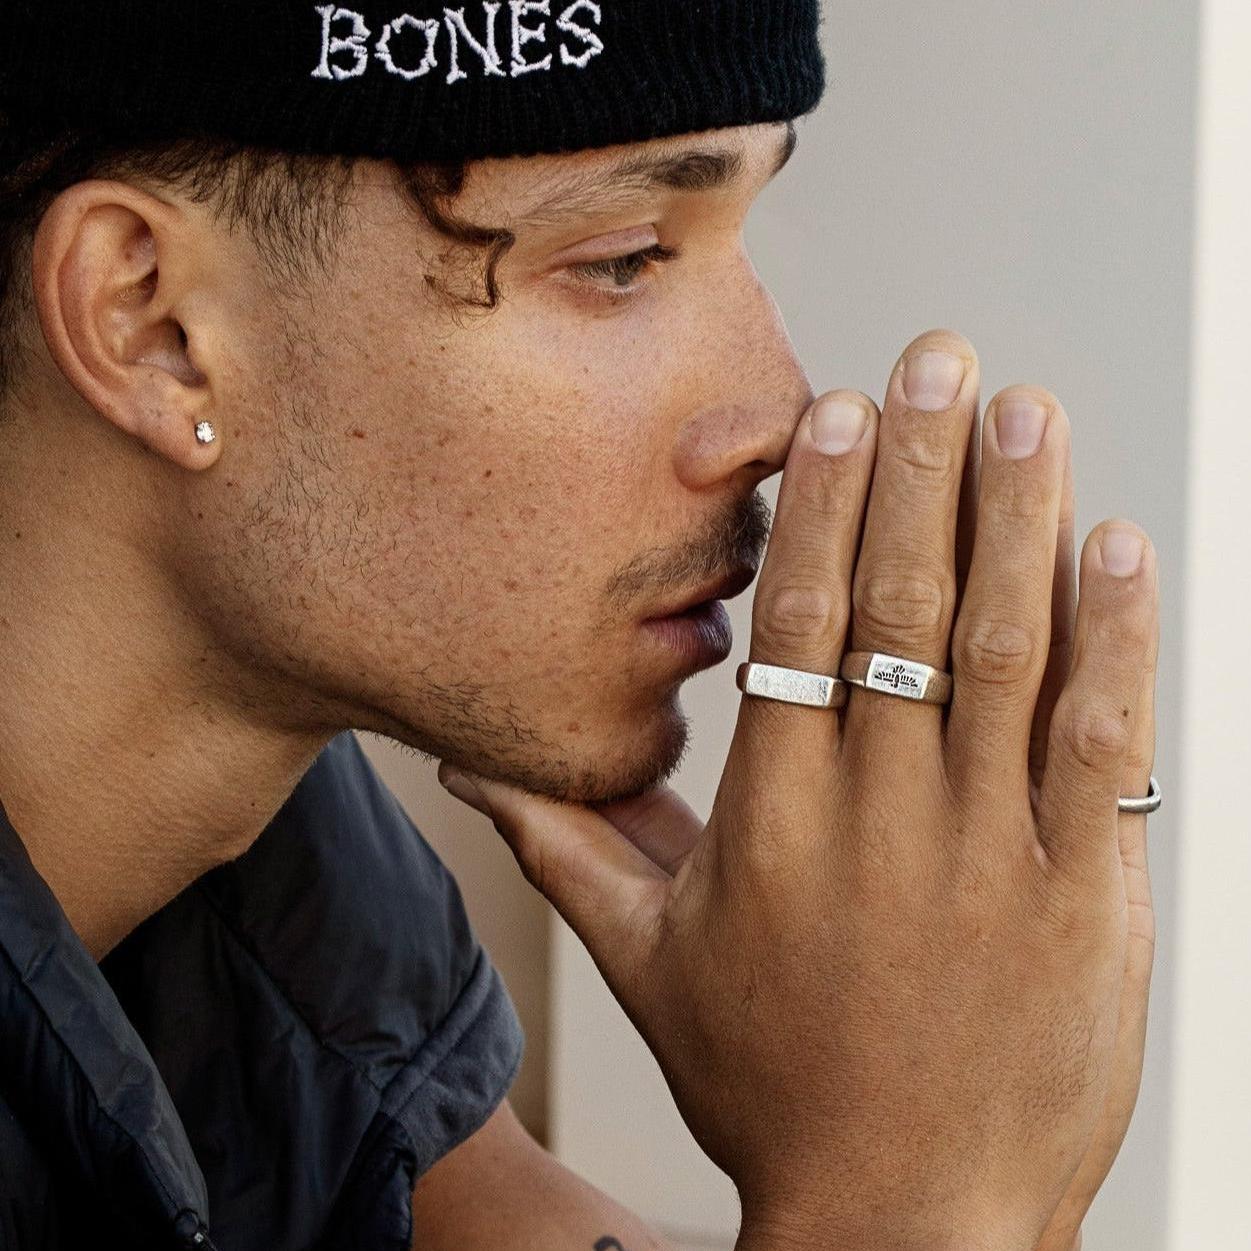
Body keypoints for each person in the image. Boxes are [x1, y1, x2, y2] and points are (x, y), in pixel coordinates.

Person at [0, 3, 1162, 1249]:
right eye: (622, 258)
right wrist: (910, 1202)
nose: (775, 410)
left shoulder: (284, 913)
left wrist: (927, 1106)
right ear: (153, 323)